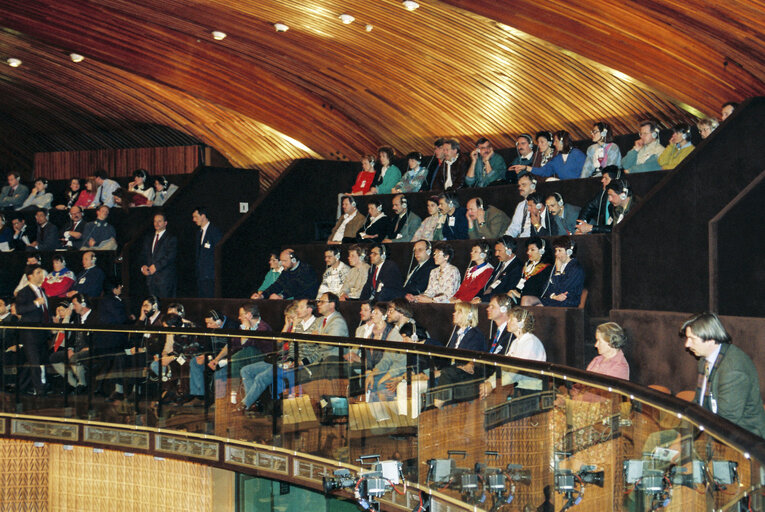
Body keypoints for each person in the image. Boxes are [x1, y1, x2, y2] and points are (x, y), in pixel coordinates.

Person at [681, 312, 765, 438]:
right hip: (715, 431)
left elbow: (727, 422)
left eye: (692, 339)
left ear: (710, 339)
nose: (687, 345)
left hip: (744, 441)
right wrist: (682, 433)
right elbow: (699, 404)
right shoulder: (704, 359)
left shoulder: (732, 370)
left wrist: (686, 439)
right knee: (655, 439)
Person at [480, 306, 546, 398]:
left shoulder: (530, 342)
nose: (508, 322)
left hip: (533, 392)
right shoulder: (515, 342)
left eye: (511, 320)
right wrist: (488, 382)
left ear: (521, 324)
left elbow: (516, 372)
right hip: (520, 388)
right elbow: (504, 368)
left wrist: (492, 385)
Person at [521, 237, 585, 308]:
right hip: (554, 299)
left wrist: (558, 271)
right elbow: (546, 287)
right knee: (526, 299)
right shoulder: (556, 266)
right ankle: (522, 319)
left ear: (569, 252)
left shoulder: (575, 268)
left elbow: (562, 289)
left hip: (567, 301)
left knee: (538, 306)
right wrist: (553, 296)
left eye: (559, 250)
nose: (556, 254)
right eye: (556, 250)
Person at [15, 264, 49, 395]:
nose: (41, 275)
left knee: (39, 361)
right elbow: (19, 309)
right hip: (30, 333)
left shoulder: (42, 291)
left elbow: (45, 310)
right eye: (38, 272)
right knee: (34, 361)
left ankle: (23, 387)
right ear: (30, 276)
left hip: (42, 332)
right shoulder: (24, 292)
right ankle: (40, 389)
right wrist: (35, 303)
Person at [253, 249, 319, 300]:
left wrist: (281, 296)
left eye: (284, 261)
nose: (282, 264)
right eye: (281, 261)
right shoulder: (286, 270)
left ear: (293, 260)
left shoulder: (306, 269)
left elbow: (295, 286)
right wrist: (262, 295)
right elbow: (278, 284)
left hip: (307, 302)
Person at [140, 212, 177, 297]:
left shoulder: (171, 238)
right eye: (155, 221)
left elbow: (170, 256)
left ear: (165, 223)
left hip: (164, 280)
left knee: (164, 306)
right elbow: (143, 255)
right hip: (150, 280)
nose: (156, 223)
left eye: (159, 221)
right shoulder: (148, 238)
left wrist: (156, 266)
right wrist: (143, 266)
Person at [477, 236, 522, 303]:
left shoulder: (517, 267)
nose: (496, 254)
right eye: (496, 251)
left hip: (496, 301)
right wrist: (477, 297)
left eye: (499, 251)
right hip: (486, 299)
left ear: (509, 251)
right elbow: (487, 285)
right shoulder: (499, 264)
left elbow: (505, 292)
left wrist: (482, 299)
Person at [508, 238, 552, 305]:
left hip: (531, 301)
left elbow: (540, 291)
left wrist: (520, 295)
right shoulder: (528, 266)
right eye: (528, 249)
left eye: (532, 250)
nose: (528, 252)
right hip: (520, 297)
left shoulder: (547, 269)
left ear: (541, 251)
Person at [576, 166, 621, 231]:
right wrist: (580, 225)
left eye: (606, 178)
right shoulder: (603, 193)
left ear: (615, 180)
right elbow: (589, 207)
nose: (602, 180)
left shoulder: (620, 200)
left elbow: (615, 228)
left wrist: (591, 228)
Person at [193, 206, 223, 297]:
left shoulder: (214, 231)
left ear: (203, 216)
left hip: (211, 276)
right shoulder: (199, 233)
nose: (194, 219)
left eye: (195, 216)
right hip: (201, 276)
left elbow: (218, 254)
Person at [504, 172, 537, 238]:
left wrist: (520, 240)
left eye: (523, 185)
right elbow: (514, 227)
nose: (520, 188)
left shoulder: (539, 203)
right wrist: (506, 239)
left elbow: (531, 230)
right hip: (520, 240)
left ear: (533, 186)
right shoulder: (520, 205)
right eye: (519, 185)